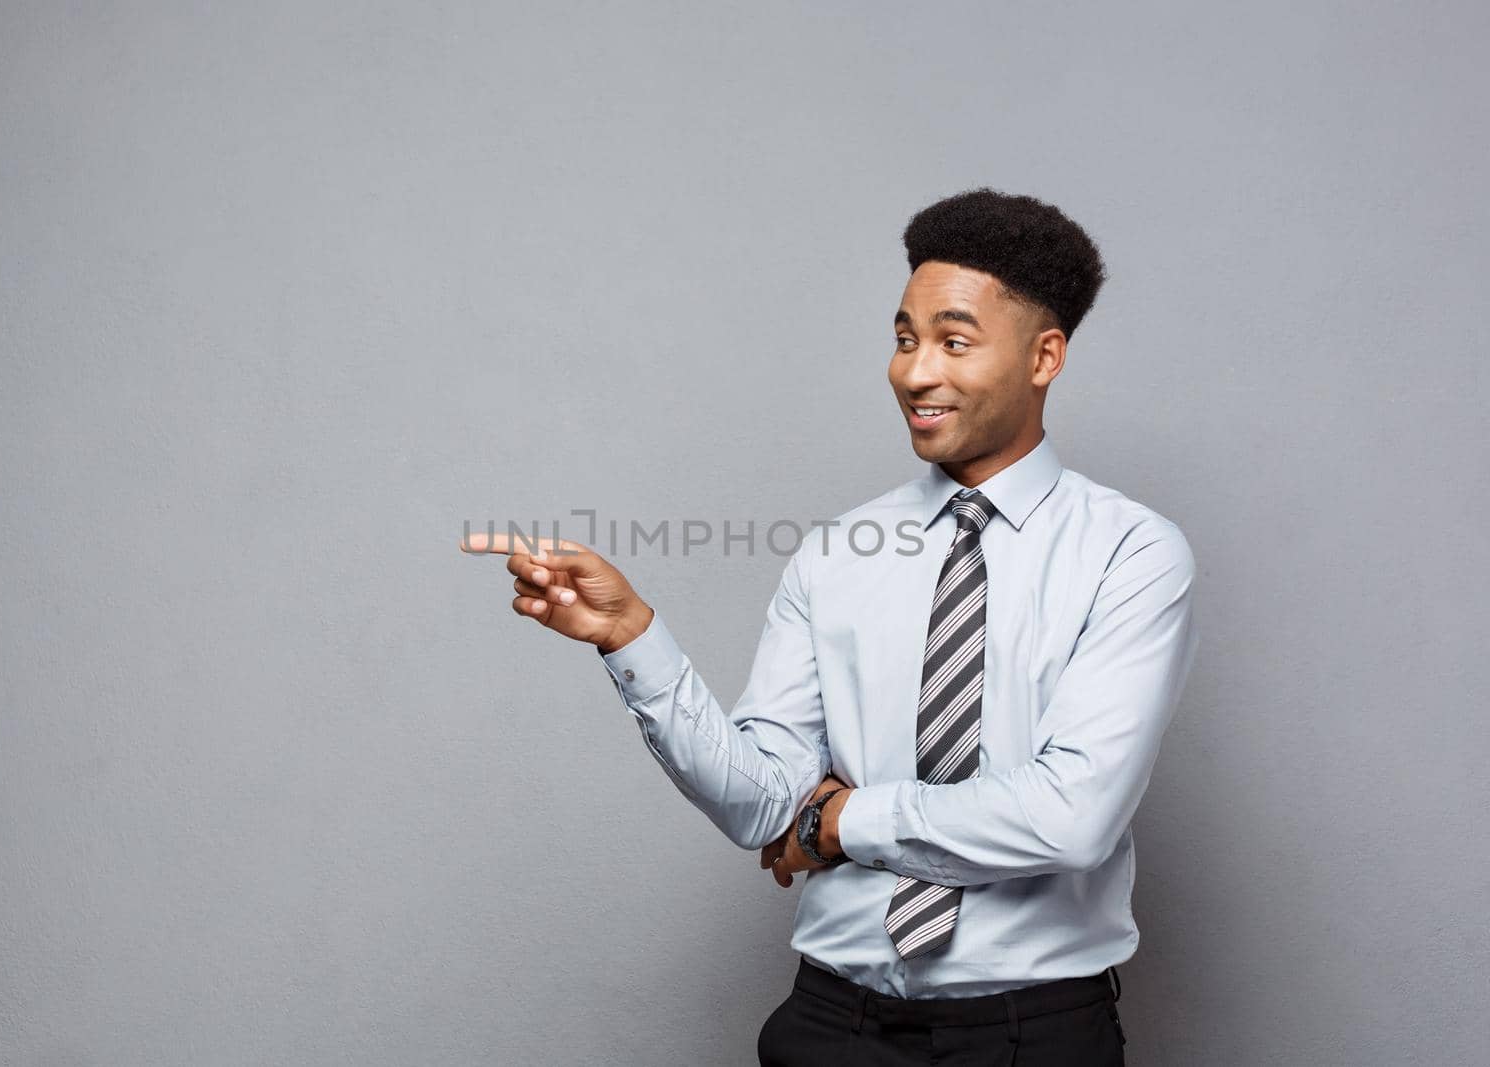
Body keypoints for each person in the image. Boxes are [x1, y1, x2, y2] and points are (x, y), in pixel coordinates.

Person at [461, 187, 1200, 1065]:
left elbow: (1070, 814)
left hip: (1029, 1036)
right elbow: (761, 801)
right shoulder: (837, 554)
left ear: (1045, 357)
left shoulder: (1131, 552)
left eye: (954, 342)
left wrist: (841, 824)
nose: (915, 372)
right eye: (903, 338)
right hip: (832, 1027)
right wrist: (631, 636)